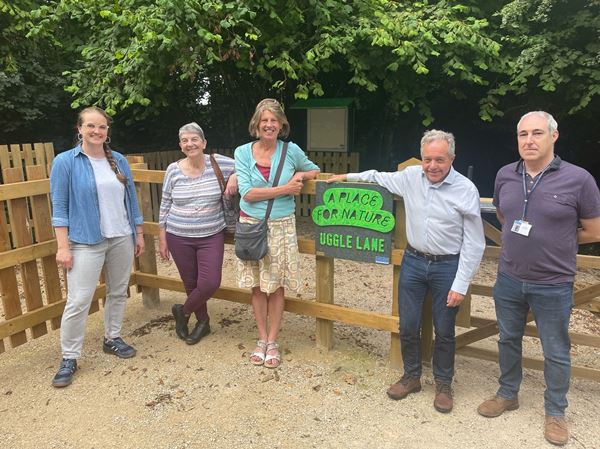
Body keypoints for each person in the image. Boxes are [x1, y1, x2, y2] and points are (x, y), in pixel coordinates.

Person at [327, 130, 485, 412]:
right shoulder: (411, 177)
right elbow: (377, 176)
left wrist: (461, 283)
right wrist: (345, 178)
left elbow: (475, 242)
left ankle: (444, 384)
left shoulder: (465, 189)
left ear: (452, 158)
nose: (432, 166)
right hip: (413, 261)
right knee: (408, 325)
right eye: (427, 159)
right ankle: (412, 376)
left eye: (439, 159)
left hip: (448, 265)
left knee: (445, 329)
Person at [477, 111, 600, 445]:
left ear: (554, 136)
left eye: (536, 134)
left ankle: (556, 412)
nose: (528, 141)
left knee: (556, 350)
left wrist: (557, 238)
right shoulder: (505, 174)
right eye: (522, 135)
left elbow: (593, 230)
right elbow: (505, 215)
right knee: (507, 339)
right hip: (509, 277)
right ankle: (507, 393)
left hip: (554, 282)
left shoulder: (579, 179)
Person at [50, 106, 145, 388]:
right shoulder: (65, 162)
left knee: (118, 291)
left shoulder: (118, 160)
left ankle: (112, 338)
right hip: (84, 240)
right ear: (79, 129)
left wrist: (137, 233)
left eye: (102, 127)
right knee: (79, 300)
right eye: (90, 126)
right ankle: (69, 356)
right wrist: (63, 246)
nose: (96, 131)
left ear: (107, 131)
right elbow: (59, 206)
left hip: (120, 236)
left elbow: (131, 199)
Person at [235, 98, 320, 369]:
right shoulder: (243, 152)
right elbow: (247, 193)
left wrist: (301, 177)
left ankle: (273, 341)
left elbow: (313, 169)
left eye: (274, 121)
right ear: (256, 124)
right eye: (264, 121)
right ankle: (261, 338)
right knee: (257, 285)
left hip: (282, 225)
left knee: (277, 284)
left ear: (281, 124)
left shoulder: (290, 150)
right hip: (251, 224)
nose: (269, 125)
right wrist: (285, 188)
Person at [159, 122, 237, 345]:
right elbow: (165, 205)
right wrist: (162, 237)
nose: (189, 143)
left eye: (194, 139)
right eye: (185, 140)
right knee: (191, 283)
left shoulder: (218, 162)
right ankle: (203, 323)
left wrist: (234, 177)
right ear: (180, 145)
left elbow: (246, 164)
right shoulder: (173, 170)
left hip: (211, 234)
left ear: (204, 143)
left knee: (210, 282)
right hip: (177, 235)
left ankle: (182, 312)